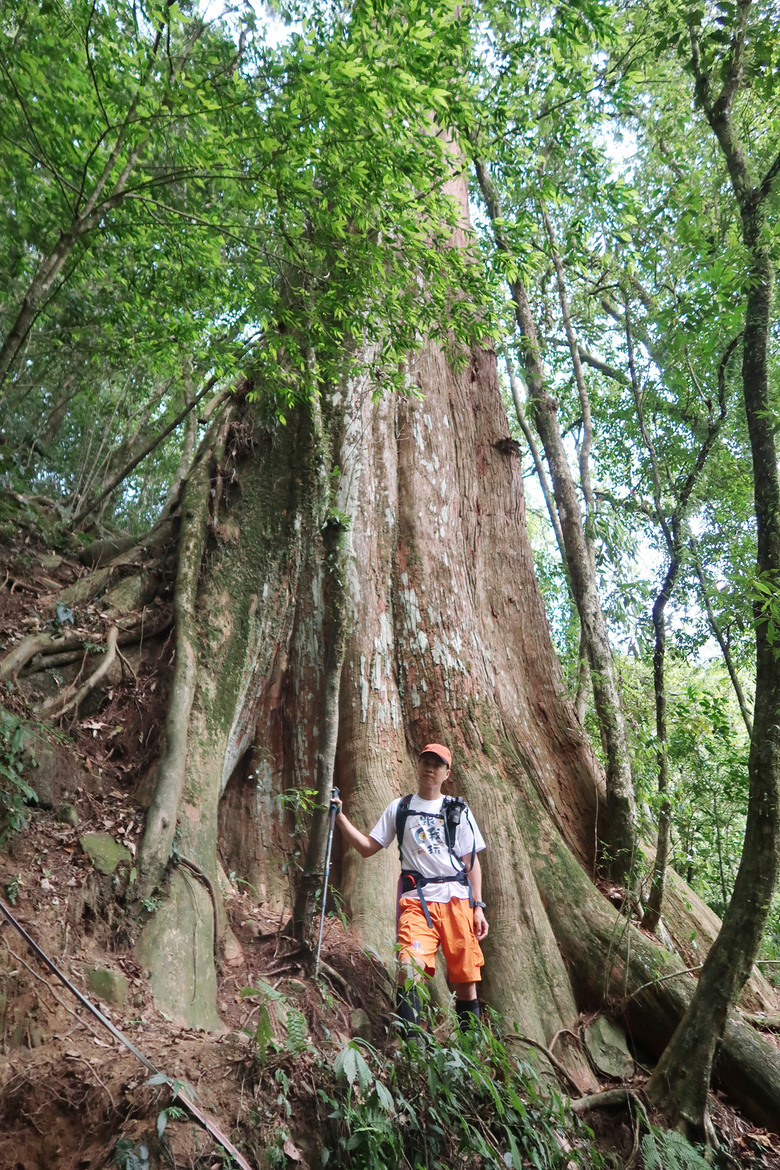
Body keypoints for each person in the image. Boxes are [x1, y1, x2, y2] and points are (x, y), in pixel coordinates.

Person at [334, 743, 488, 1031]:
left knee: (466, 980)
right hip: (417, 903)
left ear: (446, 773)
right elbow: (369, 847)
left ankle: (471, 1052)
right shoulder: (400, 807)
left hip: (457, 901)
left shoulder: (457, 809)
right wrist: (340, 818)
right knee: (409, 967)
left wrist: (478, 907)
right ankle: (411, 1048)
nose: (430, 768)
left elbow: (471, 862)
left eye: (437, 764)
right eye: (425, 761)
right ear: (417, 766)